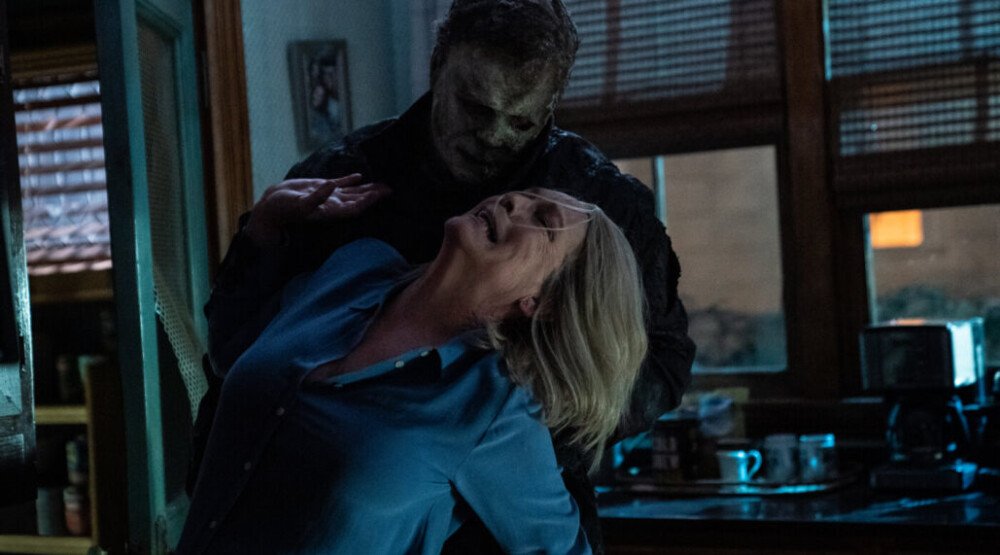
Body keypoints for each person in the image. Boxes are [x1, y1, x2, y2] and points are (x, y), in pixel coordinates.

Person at [191, 0, 696, 552]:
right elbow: (238, 342)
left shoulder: (600, 208)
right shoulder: (348, 180)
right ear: (437, 69)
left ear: (553, 103)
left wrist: (509, 432)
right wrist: (262, 235)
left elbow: (661, 360)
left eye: (522, 121)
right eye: (475, 108)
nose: (495, 137)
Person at [177, 188, 647, 554]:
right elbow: (231, 350)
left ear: (542, 303)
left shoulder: (495, 406)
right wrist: (263, 228)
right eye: (525, 193)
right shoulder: (356, 264)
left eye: (542, 221)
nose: (513, 201)